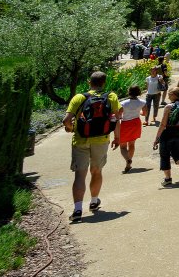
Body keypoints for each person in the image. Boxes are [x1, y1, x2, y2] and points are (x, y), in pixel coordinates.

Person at [62, 71, 120, 221]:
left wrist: (70, 128)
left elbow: (66, 120)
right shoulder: (111, 97)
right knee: (96, 171)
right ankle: (94, 202)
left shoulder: (79, 97)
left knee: (80, 174)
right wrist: (117, 138)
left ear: (89, 82)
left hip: (81, 140)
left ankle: (77, 210)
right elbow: (116, 119)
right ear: (104, 82)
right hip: (101, 140)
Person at [153, 88, 179, 186]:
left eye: (170, 94)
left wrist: (157, 138)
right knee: (176, 151)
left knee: (164, 155)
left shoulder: (169, 107)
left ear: (174, 95)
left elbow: (163, 124)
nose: (168, 96)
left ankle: (168, 179)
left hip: (168, 133)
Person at [115, 85, 145, 172]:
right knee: (132, 144)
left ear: (129, 92)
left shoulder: (123, 103)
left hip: (125, 124)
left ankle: (128, 159)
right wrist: (138, 112)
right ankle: (129, 162)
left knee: (122, 147)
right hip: (136, 123)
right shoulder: (142, 102)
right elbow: (144, 113)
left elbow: (119, 115)